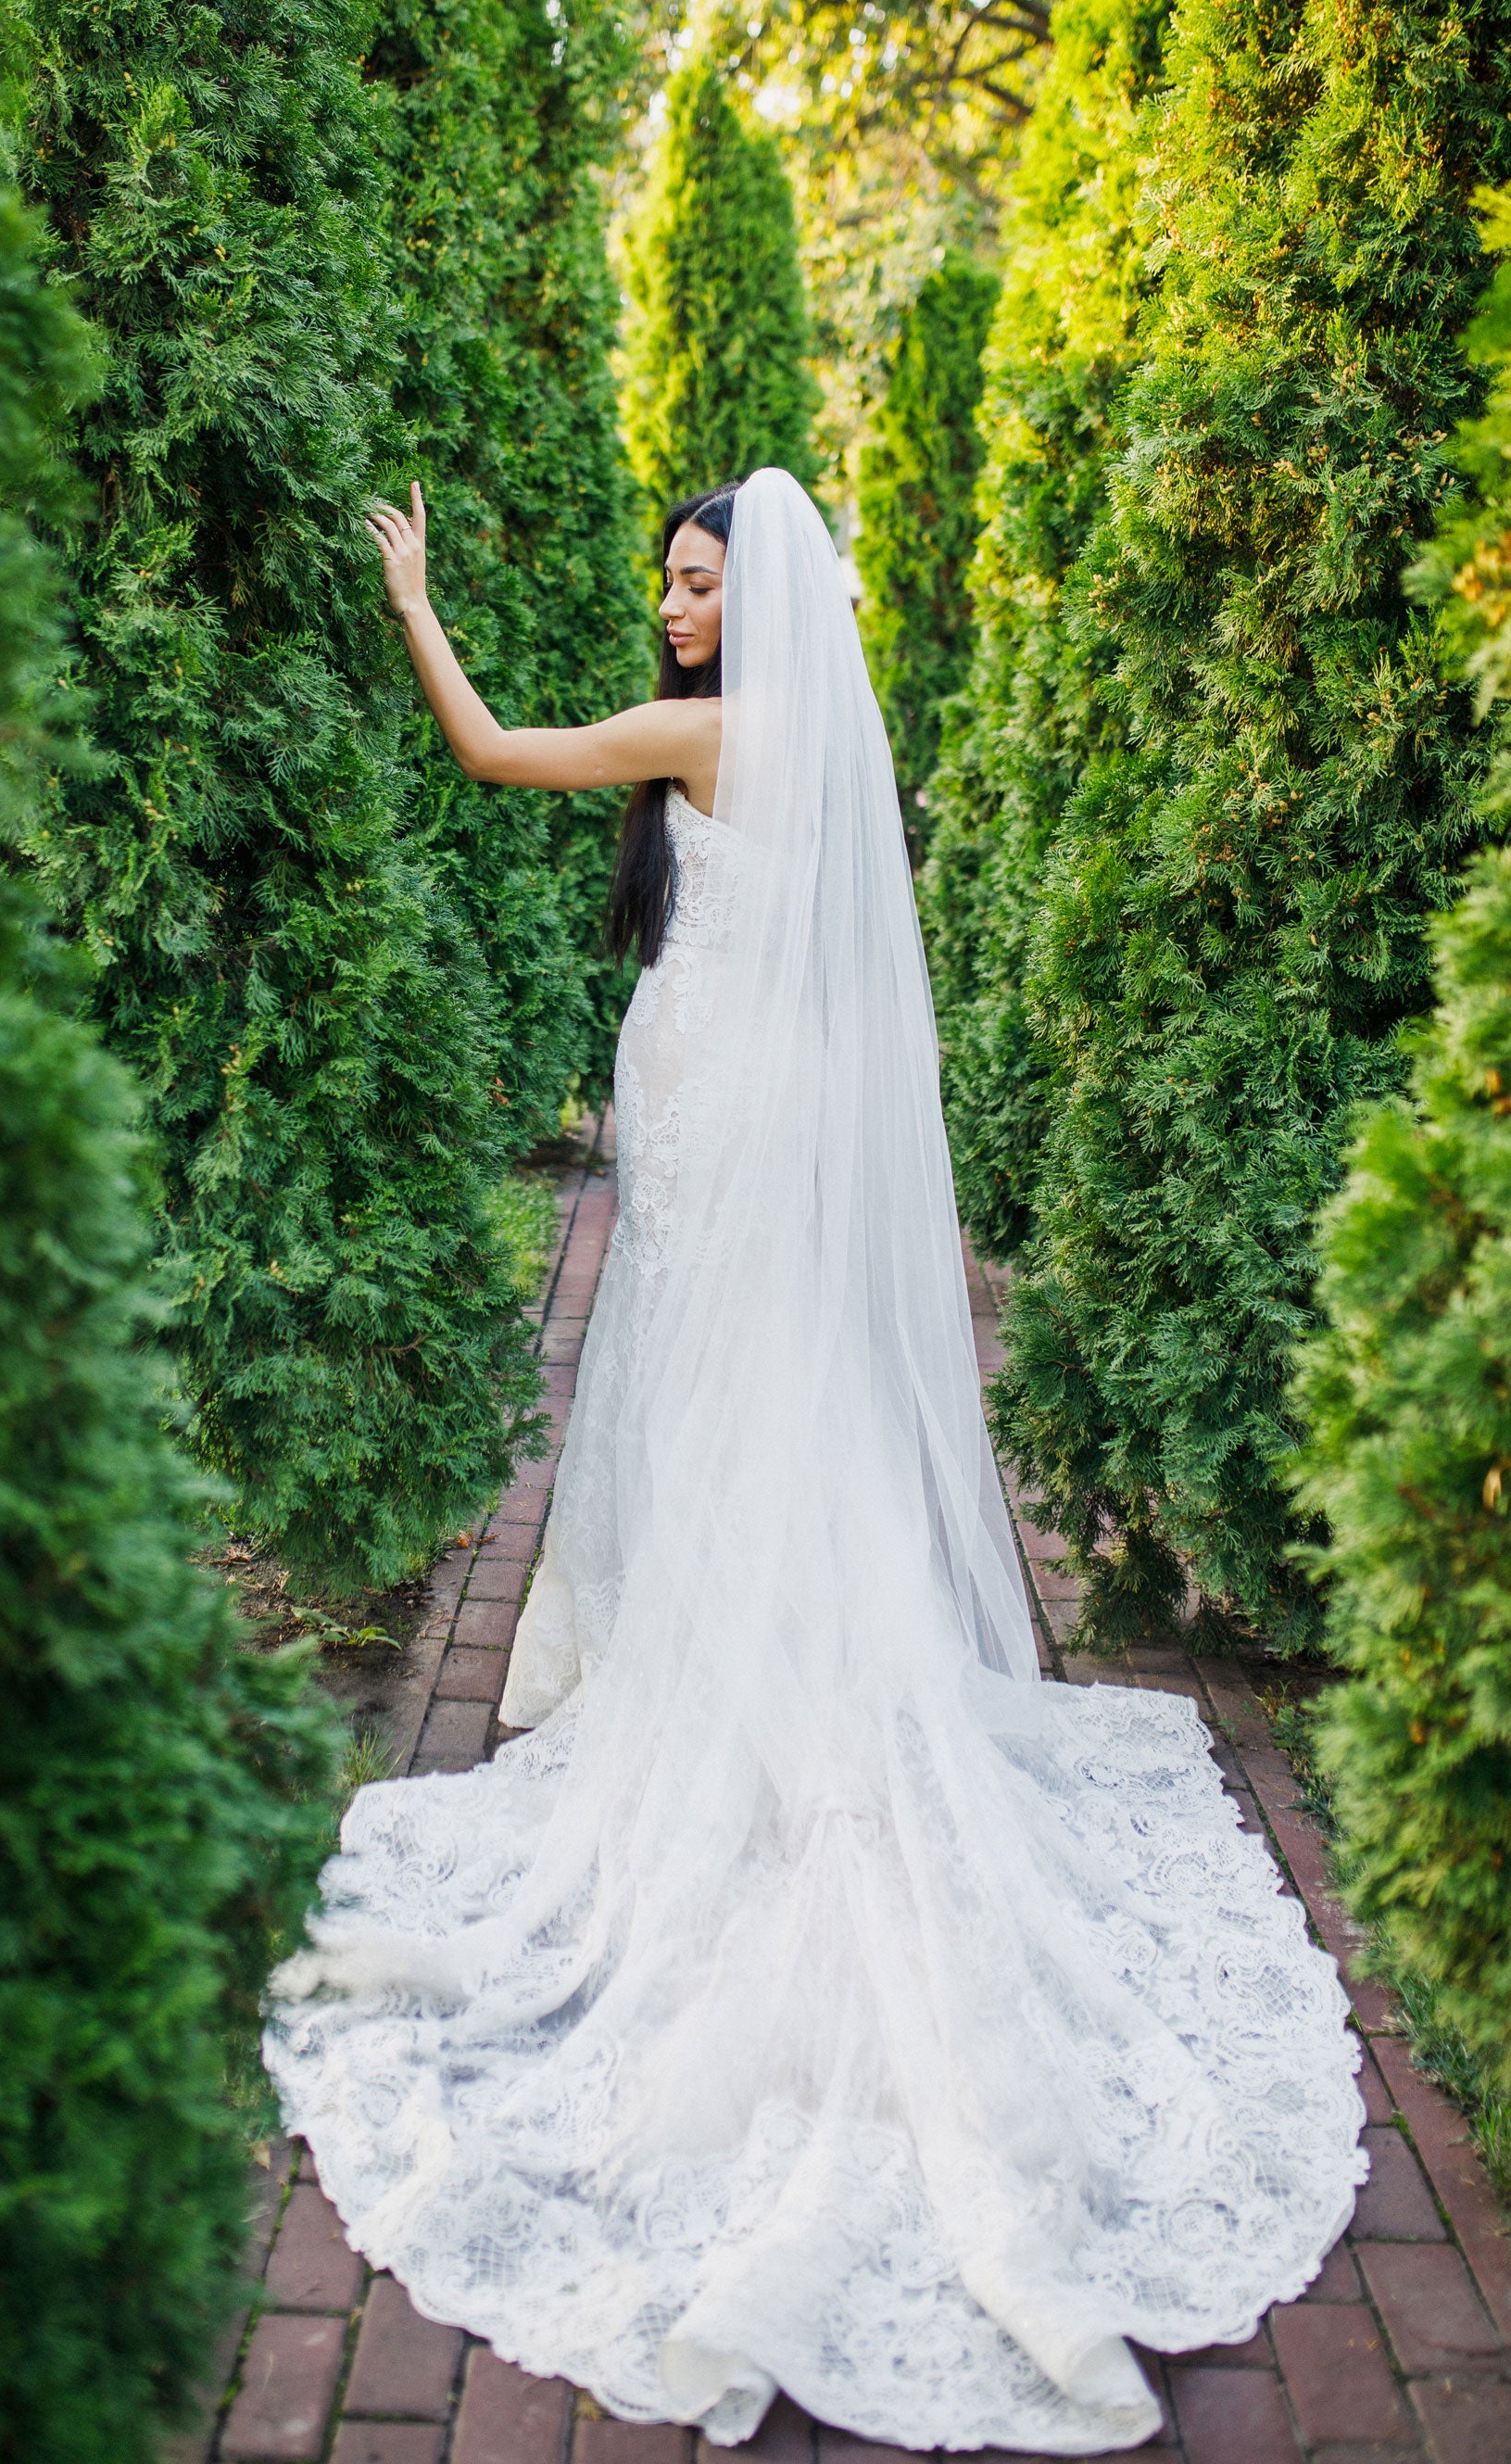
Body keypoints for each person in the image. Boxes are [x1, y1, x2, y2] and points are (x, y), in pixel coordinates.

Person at [267, 468, 1365, 2455]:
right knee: (756, 1412)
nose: (676, 608)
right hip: (740, 1117)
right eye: (666, 585)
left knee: (712, 1410)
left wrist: (417, 598)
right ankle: (768, 1679)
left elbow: (495, 750)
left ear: (752, 595)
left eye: (699, 583)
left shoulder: (708, 728)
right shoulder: (826, 742)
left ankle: (747, 1732)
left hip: (711, 1121)